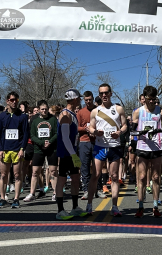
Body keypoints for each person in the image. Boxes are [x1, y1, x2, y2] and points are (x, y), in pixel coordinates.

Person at [86, 83, 128, 217]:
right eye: (101, 93)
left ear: (110, 93)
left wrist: (120, 132)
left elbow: (125, 125)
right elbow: (90, 128)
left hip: (114, 146)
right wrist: (95, 132)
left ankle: (114, 206)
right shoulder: (95, 111)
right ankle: (89, 204)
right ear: (99, 95)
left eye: (106, 92)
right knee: (96, 175)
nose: (104, 95)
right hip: (100, 147)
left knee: (115, 176)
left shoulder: (119, 109)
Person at [131, 86, 162, 218]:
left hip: (157, 147)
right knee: (142, 177)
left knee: (155, 177)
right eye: (150, 99)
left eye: (155, 99)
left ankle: (155, 205)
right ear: (144, 99)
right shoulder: (138, 112)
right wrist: (140, 133)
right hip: (142, 147)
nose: (153, 102)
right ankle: (141, 206)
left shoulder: (161, 110)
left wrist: (159, 130)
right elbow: (131, 131)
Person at [55, 88, 89, 220]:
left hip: (73, 151)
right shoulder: (65, 115)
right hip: (65, 153)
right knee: (62, 180)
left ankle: (75, 207)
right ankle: (60, 210)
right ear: (75, 99)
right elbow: (64, 138)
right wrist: (73, 154)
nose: (80, 100)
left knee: (76, 179)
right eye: (79, 98)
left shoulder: (72, 114)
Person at [0, 91, 29, 209]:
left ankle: (16, 199)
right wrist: (0, 149)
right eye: (12, 100)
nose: (14, 102)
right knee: (3, 175)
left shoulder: (23, 116)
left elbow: (25, 134)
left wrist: (22, 149)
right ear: (7, 101)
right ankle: (3, 198)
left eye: (16, 100)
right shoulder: (1, 116)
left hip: (17, 150)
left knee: (17, 175)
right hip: (5, 150)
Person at [25, 100, 58, 202]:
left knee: (53, 171)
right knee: (35, 172)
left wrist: (49, 142)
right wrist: (41, 143)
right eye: (42, 109)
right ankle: (32, 193)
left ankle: (55, 193)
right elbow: (32, 136)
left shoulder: (53, 119)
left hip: (51, 148)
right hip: (38, 149)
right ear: (38, 110)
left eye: (46, 109)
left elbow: (57, 133)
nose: (44, 111)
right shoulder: (35, 121)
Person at [77, 91, 100, 199]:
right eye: (86, 100)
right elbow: (76, 127)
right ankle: (86, 190)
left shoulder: (98, 111)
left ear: (93, 99)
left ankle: (98, 189)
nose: (88, 102)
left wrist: (96, 130)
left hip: (96, 142)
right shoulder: (81, 112)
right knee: (84, 166)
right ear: (84, 100)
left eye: (90, 100)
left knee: (97, 167)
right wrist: (85, 128)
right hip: (84, 142)